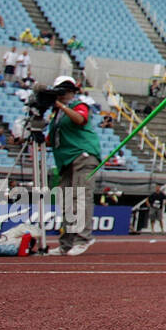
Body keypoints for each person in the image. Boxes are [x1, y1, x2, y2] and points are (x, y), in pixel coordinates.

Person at [45, 76, 100, 256]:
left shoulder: (78, 104)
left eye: (63, 91)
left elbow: (80, 120)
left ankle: (83, 239)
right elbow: (50, 140)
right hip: (66, 160)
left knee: (81, 197)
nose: (61, 95)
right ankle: (66, 243)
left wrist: (61, 106)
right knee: (67, 201)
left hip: (82, 155)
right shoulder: (57, 115)